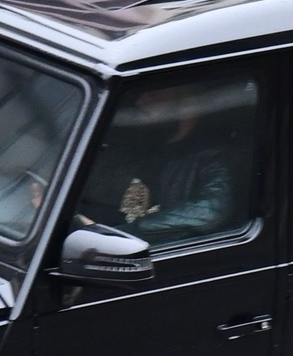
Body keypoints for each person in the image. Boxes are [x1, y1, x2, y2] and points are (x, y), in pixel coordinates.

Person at [71, 78, 251, 248]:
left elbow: (212, 211)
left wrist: (122, 234)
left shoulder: (213, 159)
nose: (140, 102)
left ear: (185, 106)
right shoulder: (131, 143)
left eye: (154, 96)